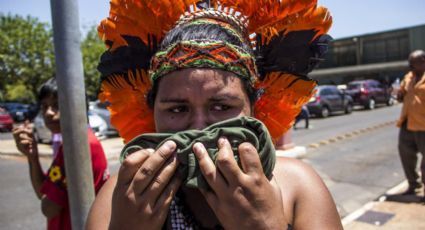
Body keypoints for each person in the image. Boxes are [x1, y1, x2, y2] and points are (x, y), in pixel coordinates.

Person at [87, 0, 342, 229]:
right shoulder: (120, 198)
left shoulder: (298, 188)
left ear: (255, 109)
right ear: (151, 112)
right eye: (177, 109)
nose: (198, 129)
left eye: (221, 107)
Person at [13, 78, 110, 230]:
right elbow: (44, 192)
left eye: (57, 106)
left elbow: (48, 207)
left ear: (77, 107)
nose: (48, 113)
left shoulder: (78, 147)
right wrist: (32, 157)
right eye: (44, 106)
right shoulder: (76, 141)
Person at [396, 50, 425, 197]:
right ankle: (413, 184)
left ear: (423, 62)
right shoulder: (409, 77)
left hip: (423, 125)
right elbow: (401, 95)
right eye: (410, 63)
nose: (410, 66)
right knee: (406, 155)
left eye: (413, 63)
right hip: (407, 123)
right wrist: (399, 94)